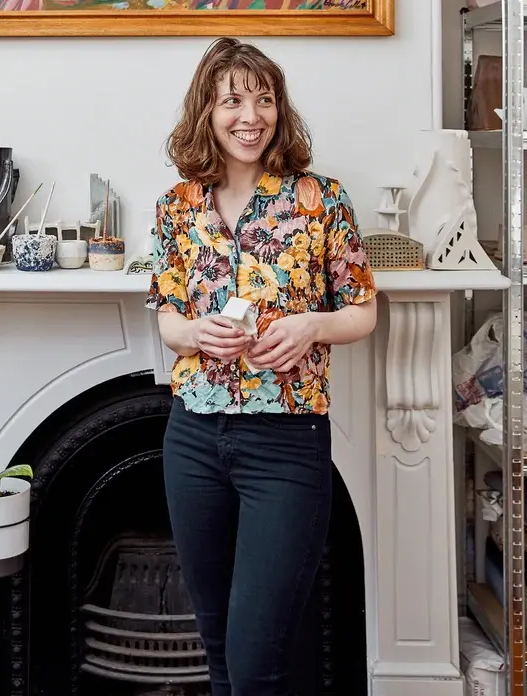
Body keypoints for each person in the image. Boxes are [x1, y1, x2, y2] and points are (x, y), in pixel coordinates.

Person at [146, 37, 377, 696]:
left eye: (265, 99)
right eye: (233, 101)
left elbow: (362, 311)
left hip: (287, 443)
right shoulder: (176, 207)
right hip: (192, 439)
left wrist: (311, 326)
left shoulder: (320, 199)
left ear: (280, 109)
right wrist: (197, 333)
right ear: (207, 112)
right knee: (219, 653)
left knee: (255, 665)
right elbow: (167, 320)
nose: (251, 117)